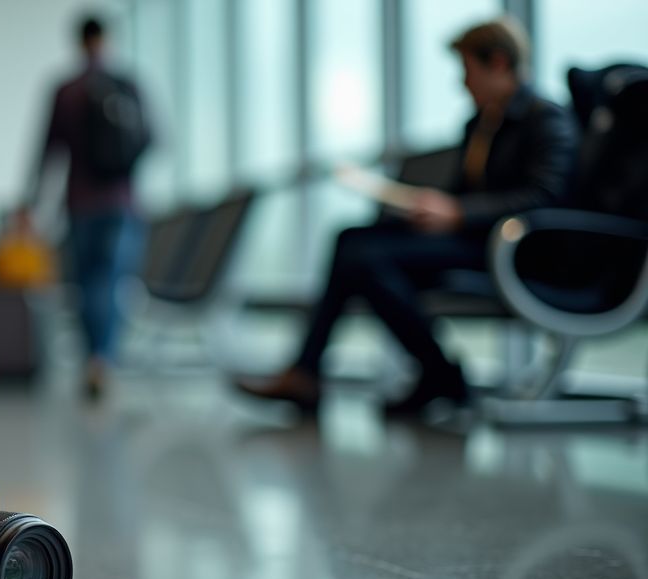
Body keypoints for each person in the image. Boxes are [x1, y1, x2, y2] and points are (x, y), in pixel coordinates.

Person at [238, 17, 578, 416]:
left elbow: (545, 197)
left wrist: (458, 212)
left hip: (513, 250)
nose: (462, 84)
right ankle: (344, 372)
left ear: (499, 63)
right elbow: (461, 195)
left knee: (362, 256)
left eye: (468, 71)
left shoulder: (546, 119)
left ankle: (428, 373)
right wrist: (421, 208)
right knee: (352, 241)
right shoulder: (481, 126)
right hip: (473, 239)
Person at [25, 15, 151, 399]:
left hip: (79, 203)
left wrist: (32, 202)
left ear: (79, 42)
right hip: (122, 201)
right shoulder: (127, 84)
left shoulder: (66, 90)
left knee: (86, 284)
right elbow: (150, 138)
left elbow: (47, 150)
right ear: (107, 40)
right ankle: (104, 360)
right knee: (111, 281)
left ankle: (92, 360)